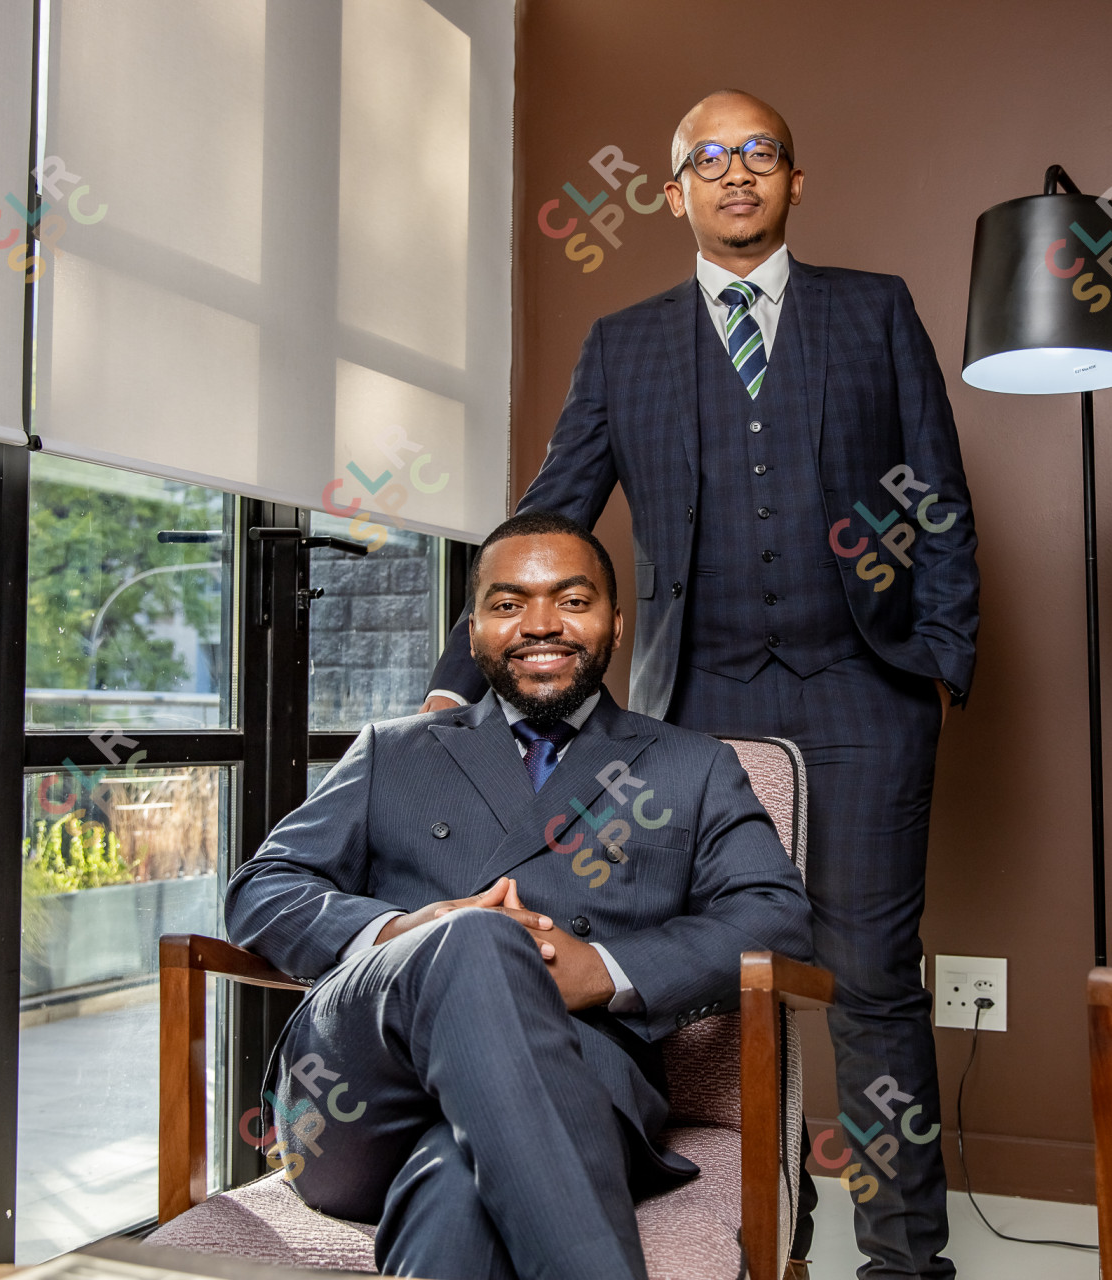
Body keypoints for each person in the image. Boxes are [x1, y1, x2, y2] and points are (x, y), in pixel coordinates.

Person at [422, 91, 979, 1279]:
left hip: (862, 693)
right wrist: (444, 674)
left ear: (793, 178)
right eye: (708, 159)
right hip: (694, 707)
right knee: (697, 984)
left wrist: (940, 659)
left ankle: (903, 1261)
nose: (737, 175)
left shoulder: (873, 312)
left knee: (874, 981)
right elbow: (553, 509)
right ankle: (736, 1235)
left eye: (760, 153)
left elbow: (939, 491)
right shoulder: (624, 345)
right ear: (671, 191)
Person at [228, 511, 813, 1280]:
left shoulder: (690, 767)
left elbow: (778, 915)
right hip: (358, 1100)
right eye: (508, 604)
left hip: (578, 1079)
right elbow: (262, 890)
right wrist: (411, 931)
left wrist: (603, 968)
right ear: (473, 634)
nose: (542, 625)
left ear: (614, 623)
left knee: (460, 1188)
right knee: (472, 939)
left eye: (572, 601)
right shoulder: (392, 750)